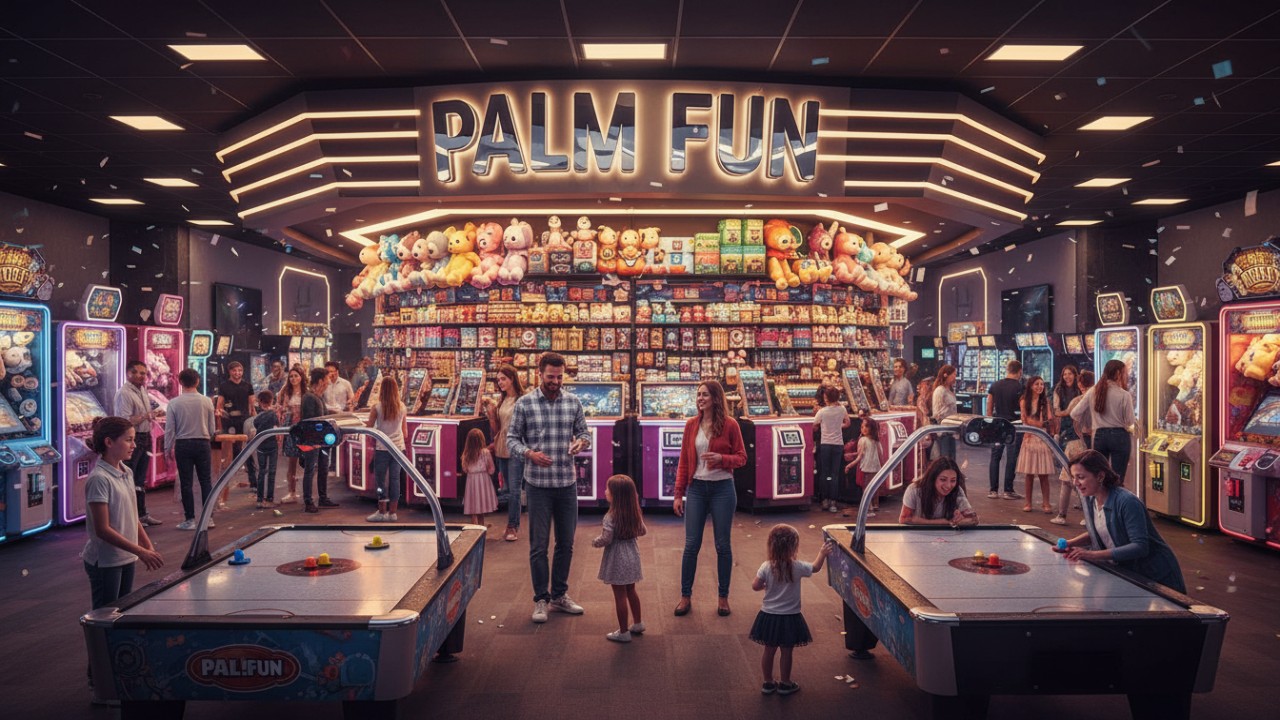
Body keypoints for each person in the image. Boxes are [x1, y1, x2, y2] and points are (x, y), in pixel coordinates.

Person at [82, 416, 164, 701]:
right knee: (103, 622)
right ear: (109, 442)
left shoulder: (125, 472)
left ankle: (115, 678)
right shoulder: (99, 479)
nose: (134, 444)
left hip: (126, 556)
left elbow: (132, 514)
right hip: (105, 560)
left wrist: (146, 545)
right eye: (128, 439)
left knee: (119, 616)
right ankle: (98, 683)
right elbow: (103, 529)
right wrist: (141, 551)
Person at [506, 352, 591, 623]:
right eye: (551, 377)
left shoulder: (573, 402)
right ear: (539, 374)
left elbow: (584, 433)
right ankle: (541, 599)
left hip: (567, 484)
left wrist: (581, 443)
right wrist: (529, 454)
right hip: (538, 486)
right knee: (538, 546)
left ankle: (559, 595)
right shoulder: (525, 403)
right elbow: (511, 439)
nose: (555, 382)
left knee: (566, 544)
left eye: (559, 377)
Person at [673, 379, 748, 618]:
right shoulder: (691, 425)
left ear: (716, 398)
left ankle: (723, 597)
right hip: (696, 489)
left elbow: (742, 457)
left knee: (722, 545)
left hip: (722, 489)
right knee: (691, 545)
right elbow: (684, 462)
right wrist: (678, 493)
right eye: (698, 395)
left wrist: (722, 459)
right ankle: (685, 596)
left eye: (705, 394)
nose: (700, 399)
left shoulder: (730, 425)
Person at [1063, 449, 1186, 592]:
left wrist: (1091, 555)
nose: (1075, 483)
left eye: (1080, 477)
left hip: (1156, 577)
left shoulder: (1127, 502)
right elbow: (1101, 531)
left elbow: (1140, 546)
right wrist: (1070, 543)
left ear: (1100, 476)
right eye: (1073, 477)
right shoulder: (1091, 499)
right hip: (1130, 573)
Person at [749, 524, 834, 696]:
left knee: (769, 650)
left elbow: (755, 585)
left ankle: (768, 682)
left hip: (769, 616)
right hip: (790, 617)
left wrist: (765, 586)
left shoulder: (766, 566)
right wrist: (822, 553)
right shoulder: (797, 566)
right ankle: (785, 683)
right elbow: (815, 568)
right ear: (793, 547)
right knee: (787, 651)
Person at [592, 474, 647, 643]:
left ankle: (623, 632)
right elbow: (642, 531)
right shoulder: (634, 513)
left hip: (617, 558)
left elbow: (606, 539)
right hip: (632, 555)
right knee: (631, 590)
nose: (605, 491)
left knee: (619, 595)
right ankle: (638, 623)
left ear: (616, 495)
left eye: (608, 489)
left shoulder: (610, 516)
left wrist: (595, 542)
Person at [165, 369, 217, 531]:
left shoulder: (174, 403)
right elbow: (212, 428)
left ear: (180, 382)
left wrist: (167, 449)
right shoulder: (206, 401)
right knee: (205, 481)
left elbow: (170, 429)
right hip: (203, 443)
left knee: (186, 483)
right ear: (197, 381)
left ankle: (190, 519)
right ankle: (208, 518)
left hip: (183, 445)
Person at [113, 360, 162, 526]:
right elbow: (124, 420)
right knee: (129, 478)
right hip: (131, 439)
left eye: (144, 373)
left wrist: (152, 414)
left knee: (140, 479)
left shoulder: (142, 390)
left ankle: (142, 514)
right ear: (129, 374)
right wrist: (145, 416)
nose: (142, 376)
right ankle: (130, 518)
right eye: (138, 373)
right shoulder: (124, 393)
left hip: (145, 436)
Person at [1071, 359, 1137, 483]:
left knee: (1100, 477)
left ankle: (1103, 496)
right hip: (1119, 437)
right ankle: (1116, 495)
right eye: (1125, 373)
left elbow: (1075, 413)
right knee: (1117, 477)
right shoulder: (1124, 395)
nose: (1127, 376)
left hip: (1099, 436)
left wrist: (1089, 424)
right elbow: (1129, 421)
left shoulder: (1093, 391)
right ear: (1118, 374)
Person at [486, 364, 525, 542]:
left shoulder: (521, 400)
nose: (500, 382)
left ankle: (513, 526)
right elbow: (498, 429)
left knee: (514, 490)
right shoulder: (503, 400)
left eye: (503, 379)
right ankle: (511, 523)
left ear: (512, 379)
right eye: (498, 380)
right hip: (501, 448)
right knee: (507, 488)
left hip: (515, 449)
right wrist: (491, 415)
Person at [1053, 370, 1094, 526]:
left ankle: (1062, 515)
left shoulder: (1078, 400)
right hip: (1093, 442)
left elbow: (1071, 416)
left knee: (1067, 479)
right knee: (1090, 480)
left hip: (1075, 442)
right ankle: (1089, 516)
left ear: (1080, 384)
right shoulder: (1099, 398)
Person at [366, 374, 407, 522]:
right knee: (395, 479)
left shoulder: (376, 407)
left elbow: (369, 427)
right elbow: (405, 432)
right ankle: (393, 513)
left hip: (382, 447)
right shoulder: (402, 407)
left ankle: (381, 511)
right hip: (398, 448)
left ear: (382, 389)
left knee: (380, 480)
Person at [1017, 376, 1058, 513]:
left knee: (1043, 474)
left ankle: (1046, 503)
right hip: (1029, 438)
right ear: (1030, 386)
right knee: (1029, 474)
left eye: (1041, 384)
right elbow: (1025, 419)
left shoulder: (1045, 401)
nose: (1040, 387)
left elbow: (1049, 418)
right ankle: (1028, 502)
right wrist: (1041, 424)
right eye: (1037, 384)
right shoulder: (1024, 400)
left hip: (1042, 438)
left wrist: (1047, 424)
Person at [300, 367, 339, 513]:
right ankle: (308, 501)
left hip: (322, 440)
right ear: (321, 380)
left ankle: (323, 497)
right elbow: (310, 420)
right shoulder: (309, 398)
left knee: (323, 467)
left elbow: (324, 415)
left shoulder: (318, 397)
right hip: (313, 440)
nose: (329, 382)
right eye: (327, 378)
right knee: (310, 470)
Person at [899, 456, 979, 526]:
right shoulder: (914, 490)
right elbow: (904, 519)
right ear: (933, 478)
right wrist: (944, 522)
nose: (948, 485)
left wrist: (959, 519)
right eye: (943, 479)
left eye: (953, 480)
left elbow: (973, 519)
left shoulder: (957, 491)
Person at [986, 359, 1024, 500]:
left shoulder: (995, 385)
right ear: (1019, 371)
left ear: (1007, 370)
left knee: (995, 456)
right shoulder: (1020, 387)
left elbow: (989, 405)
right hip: (1014, 425)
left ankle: (993, 490)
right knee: (1011, 457)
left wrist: (990, 422)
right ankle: (1008, 490)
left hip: (997, 424)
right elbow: (1023, 408)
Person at [216, 361, 256, 488]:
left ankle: (253, 480)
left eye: (240, 370)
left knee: (248, 449)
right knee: (232, 450)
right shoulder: (224, 386)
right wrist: (220, 417)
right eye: (234, 370)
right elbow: (219, 405)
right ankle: (224, 483)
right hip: (229, 422)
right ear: (230, 372)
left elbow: (252, 406)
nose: (237, 373)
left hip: (245, 421)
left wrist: (255, 422)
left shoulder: (248, 386)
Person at [813, 386, 850, 512]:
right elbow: (847, 423)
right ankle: (833, 502)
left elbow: (814, 426)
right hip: (838, 444)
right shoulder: (842, 409)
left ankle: (824, 500)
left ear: (826, 397)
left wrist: (823, 427)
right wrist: (838, 426)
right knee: (835, 474)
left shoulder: (822, 411)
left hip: (825, 444)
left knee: (824, 473)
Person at [276, 366, 307, 503]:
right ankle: (291, 492)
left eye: (296, 376)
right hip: (290, 427)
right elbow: (279, 407)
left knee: (308, 461)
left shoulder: (307, 392)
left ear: (301, 377)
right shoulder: (285, 392)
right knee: (292, 461)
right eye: (291, 376)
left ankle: (307, 493)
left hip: (304, 427)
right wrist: (284, 410)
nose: (293, 379)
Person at [845, 417, 883, 516]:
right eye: (862, 427)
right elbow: (881, 455)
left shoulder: (862, 440)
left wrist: (849, 465)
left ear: (872, 428)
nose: (864, 429)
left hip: (866, 467)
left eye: (866, 426)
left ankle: (869, 509)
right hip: (876, 468)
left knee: (866, 489)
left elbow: (859, 456)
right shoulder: (877, 441)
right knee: (874, 488)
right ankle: (875, 505)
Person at [461, 427, 497, 528]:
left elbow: (465, 469)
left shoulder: (466, 454)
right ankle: (481, 526)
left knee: (473, 506)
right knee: (481, 505)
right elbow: (492, 469)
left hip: (471, 481)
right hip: (483, 481)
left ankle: (474, 526)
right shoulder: (486, 453)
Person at [249, 390, 279, 509]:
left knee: (262, 472)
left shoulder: (257, 417)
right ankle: (270, 499)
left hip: (261, 445)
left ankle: (259, 499)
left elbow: (255, 426)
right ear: (271, 400)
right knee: (272, 472)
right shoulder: (273, 414)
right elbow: (276, 427)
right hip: (272, 445)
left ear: (260, 402)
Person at [931, 365, 958, 459]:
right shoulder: (940, 390)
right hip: (943, 431)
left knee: (951, 458)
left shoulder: (949, 390)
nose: (955, 377)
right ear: (946, 375)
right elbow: (936, 412)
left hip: (951, 429)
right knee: (945, 457)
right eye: (953, 374)